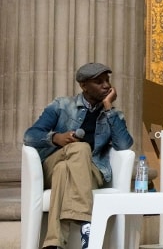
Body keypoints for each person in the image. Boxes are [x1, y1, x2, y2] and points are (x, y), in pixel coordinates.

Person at [23, 62, 134, 249]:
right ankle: (87, 223)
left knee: (63, 171)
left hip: (91, 170)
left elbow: (124, 145)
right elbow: (30, 136)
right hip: (55, 158)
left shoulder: (113, 115)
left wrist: (108, 108)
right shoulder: (61, 105)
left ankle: (53, 243)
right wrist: (56, 138)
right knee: (79, 149)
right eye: (99, 82)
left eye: (107, 80)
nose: (106, 85)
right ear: (83, 86)